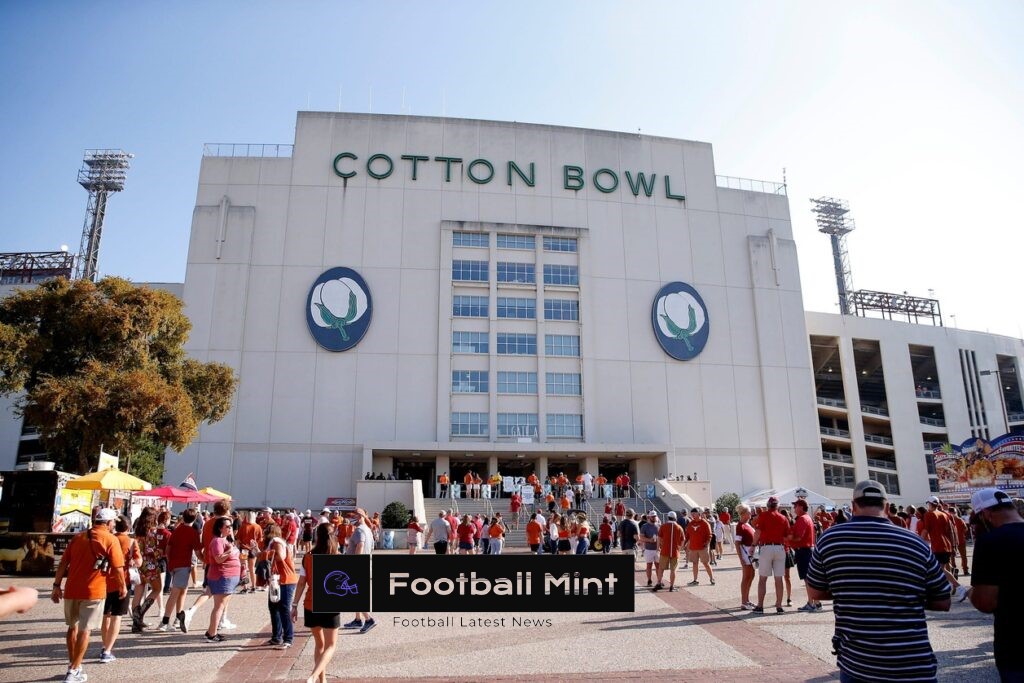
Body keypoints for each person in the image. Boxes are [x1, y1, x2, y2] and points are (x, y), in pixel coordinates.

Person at [806, 480, 951, 682]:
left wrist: (851, 592)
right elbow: (943, 601)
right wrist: (901, 594)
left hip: (858, 663)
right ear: (886, 505)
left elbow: (814, 592)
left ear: (853, 505)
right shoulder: (915, 544)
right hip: (912, 664)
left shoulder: (830, 540)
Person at [51, 508, 126, 683]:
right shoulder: (110, 539)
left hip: (71, 589)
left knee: (72, 627)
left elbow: (63, 563)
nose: (114, 524)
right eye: (113, 522)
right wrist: (122, 587)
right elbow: (117, 567)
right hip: (94, 590)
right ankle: (74, 670)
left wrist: (56, 586)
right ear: (108, 523)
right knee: (86, 630)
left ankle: (73, 665)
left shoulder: (78, 538)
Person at [966, 488, 1024, 681]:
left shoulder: (990, 542)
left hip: (1015, 646)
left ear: (985, 514)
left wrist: (970, 592)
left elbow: (985, 602)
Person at [292, 523, 341, 683]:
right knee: (330, 646)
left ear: (317, 537)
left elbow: (301, 583)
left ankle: (322, 680)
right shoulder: (337, 556)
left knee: (319, 644)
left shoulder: (308, 556)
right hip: (330, 604)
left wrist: (294, 605)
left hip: (310, 603)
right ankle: (313, 677)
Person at [100, 515, 138, 662]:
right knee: (117, 617)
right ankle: (107, 650)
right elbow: (139, 561)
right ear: (128, 528)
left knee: (106, 616)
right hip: (123, 581)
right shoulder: (131, 542)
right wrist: (135, 562)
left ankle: (105, 646)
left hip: (105, 581)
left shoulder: (108, 539)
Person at [158, 508, 203, 633]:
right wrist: (206, 561)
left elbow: (168, 548)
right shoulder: (192, 532)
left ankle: (178, 617)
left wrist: (169, 560)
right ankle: (165, 621)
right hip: (184, 564)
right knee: (175, 592)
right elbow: (198, 552)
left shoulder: (176, 530)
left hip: (173, 564)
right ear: (194, 519)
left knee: (182, 590)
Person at [202, 516, 241, 642]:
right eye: (227, 527)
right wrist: (230, 551)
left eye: (231, 526)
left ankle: (211, 631)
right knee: (219, 606)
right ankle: (212, 634)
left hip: (229, 576)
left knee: (221, 606)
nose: (230, 528)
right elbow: (218, 558)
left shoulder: (226, 540)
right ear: (220, 528)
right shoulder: (218, 541)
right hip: (221, 576)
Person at [921, 496, 966, 601]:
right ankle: (951, 588)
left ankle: (958, 588)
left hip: (938, 546)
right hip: (947, 545)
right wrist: (954, 545)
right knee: (941, 570)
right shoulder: (945, 515)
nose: (927, 506)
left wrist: (918, 541)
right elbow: (950, 531)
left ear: (931, 504)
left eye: (928, 504)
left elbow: (925, 530)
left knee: (938, 570)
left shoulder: (929, 515)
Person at [262, 523, 298, 649]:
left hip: (285, 580)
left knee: (283, 609)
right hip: (277, 580)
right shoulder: (272, 543)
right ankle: (276, 637)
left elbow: (280, 557)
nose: (263, 532)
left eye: (265, 530)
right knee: (273, 607)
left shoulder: (276, 542)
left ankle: (288, 638)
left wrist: (267, 554)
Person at [752, 496, 788, 614]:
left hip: (766, 547)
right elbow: (787, 536)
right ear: (777, 506)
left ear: (768, 505)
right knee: (779, 578)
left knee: (763, 578)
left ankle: (760, 605)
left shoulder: (763, 516)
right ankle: (779, 605)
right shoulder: (783, 518)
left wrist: (753, 545)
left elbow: (757, 532)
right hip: (780, 547)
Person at [342, 508, 376, 634]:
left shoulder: (360, 530)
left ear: (360, 516)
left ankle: (368, 619)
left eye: (354, 516)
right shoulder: (368, 530)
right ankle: (358, 619)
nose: (351, 518)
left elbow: (360, 545)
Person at [654, 511, 685, 592]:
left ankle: (659, 583)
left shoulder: (663, 526)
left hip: (665, 550)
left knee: (661, 568)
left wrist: (658, 547)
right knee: (673, 570)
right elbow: (683, 540)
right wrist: (680, 548)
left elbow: (659, 538)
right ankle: (671, 586)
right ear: (675, 518)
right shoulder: (679, 527)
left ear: (668, 517)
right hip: (675, 552)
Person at [685, 508, 714, 586]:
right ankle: (695, 580)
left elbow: (709, 535)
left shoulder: (705, 523)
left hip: (702, 548)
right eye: (692, 514)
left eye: (694, 513)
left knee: (706, 563)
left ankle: (712, 578)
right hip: (693, 548)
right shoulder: (690, 524)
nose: (693, 515)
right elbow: (687, 535)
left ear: (699, 514)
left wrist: (707, 544)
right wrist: (684, 543)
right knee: (695, 564)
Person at [735, 504, 756, 610]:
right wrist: (741, 558)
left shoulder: (748, 524)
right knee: (746, 577)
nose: (750, 514)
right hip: (745, 554)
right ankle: (744, 601)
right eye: (748, 512)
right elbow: (737, 543)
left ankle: (747, 600)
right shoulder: (740, 526)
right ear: (743, 514)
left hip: (751, 554)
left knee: (751, 576)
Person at [237, 511, 264, 593]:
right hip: (253, 549)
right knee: (252, 568)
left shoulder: (243, 526)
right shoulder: (258, 526)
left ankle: (245, 587)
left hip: (244, 549)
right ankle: (253, 586)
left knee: (243, 567)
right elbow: (260, 539)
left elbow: (238, 538)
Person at [638, 513, 660, 586]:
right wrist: (649, 540)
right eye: (653, 516)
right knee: (649, 565)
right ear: (649, 517)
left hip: (658, 549)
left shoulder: (659, 525)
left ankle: (659, 581)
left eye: (655, 516)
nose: (654, 518)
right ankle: (649, 580)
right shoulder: (644, 526)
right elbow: (641, 538)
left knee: (658, 566)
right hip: (648, 549)